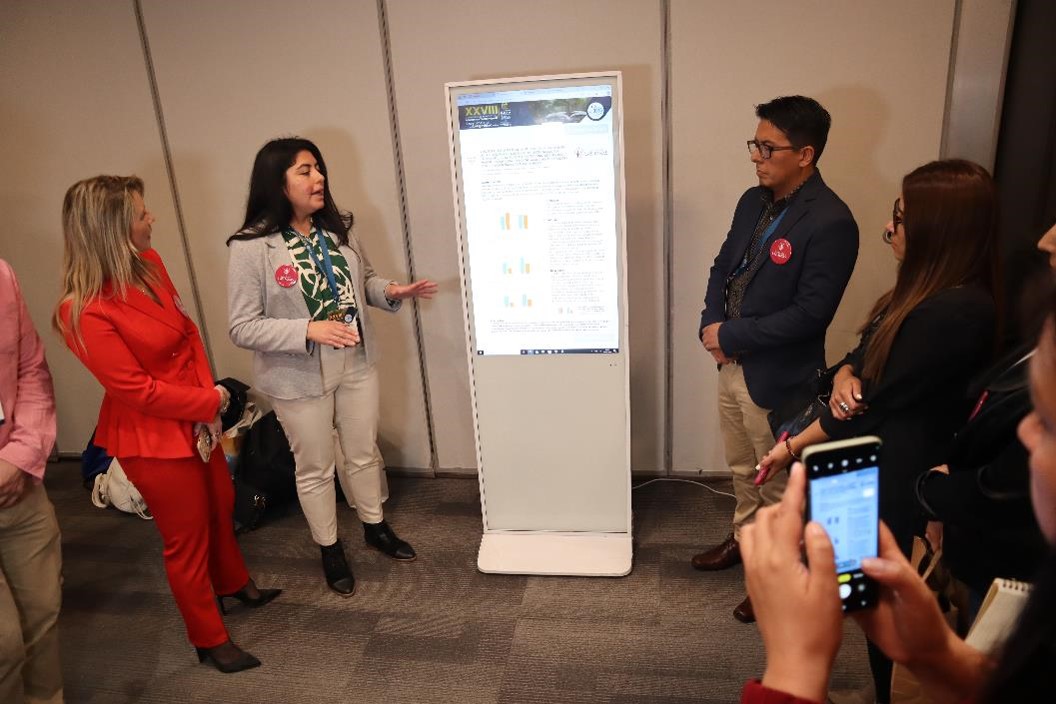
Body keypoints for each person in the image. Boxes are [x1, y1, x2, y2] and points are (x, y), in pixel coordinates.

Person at [739, 282, 1056, 703]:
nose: (1026, 433)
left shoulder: (960, 308)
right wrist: (935, 656)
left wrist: (796, 664)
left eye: (1047, 422)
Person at [757, 159, 1001, 702]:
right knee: (865, 604)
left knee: (889, 612)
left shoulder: (956, 312)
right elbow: (862, 358)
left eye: (901, 218)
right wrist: (847, 372)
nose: (890, 228)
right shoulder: (920, 294)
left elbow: (873, 399)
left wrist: (791, 447)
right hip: (869, 470)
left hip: (895, 483)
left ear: (939, 229)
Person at [55, 176, 279, 673]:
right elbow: (137, 390)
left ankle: (233, 583)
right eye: (141, 214)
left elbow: (187, 332)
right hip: (151, 435)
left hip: (196, 414)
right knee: (186, 537)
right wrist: (207, 400)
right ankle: (208, 637)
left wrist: (209, 405)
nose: (151, 218)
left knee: (220, 503)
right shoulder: (81, 311)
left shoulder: (149, 264)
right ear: (112, 229)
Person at [227, 137, 437, 597]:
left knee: (362, 451)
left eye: (318, 168)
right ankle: (330, 547)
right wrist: (308, 329)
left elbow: (364, 281)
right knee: (315, 467)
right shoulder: (252, 246)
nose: (319, 178)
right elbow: (242, 326)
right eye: (305, 171)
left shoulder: (337, 228)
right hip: (297, 374)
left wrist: (391, 292)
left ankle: (374, 526)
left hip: (355, 360)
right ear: (277, 183)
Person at [693, 95, 859, 624]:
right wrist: (711, 325)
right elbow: (723, 267)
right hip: (731, 364)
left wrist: (732, 334)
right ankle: (745, 540)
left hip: (779, 376)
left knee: (778, 482)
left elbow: (811, 314)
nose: (755, 157)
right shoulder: (752, 201)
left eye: (768, 148)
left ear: (805, 154)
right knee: (742, 467)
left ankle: (778, 571)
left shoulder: (832, 221)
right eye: (755, 144)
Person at [1, 259, 62, 703]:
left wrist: (20, 458)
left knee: (42, 616)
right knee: (3, 645)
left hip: (18, 482)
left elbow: (31, 370)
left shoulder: (1, 277)